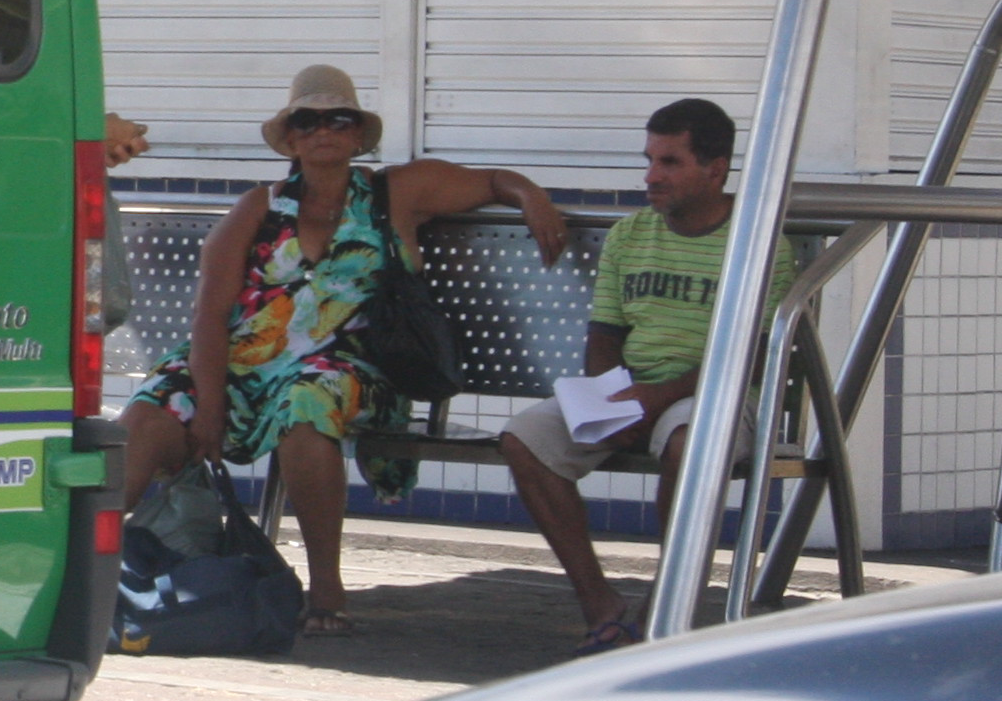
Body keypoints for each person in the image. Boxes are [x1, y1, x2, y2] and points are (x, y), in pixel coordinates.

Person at [118, 65, 567, 637]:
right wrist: (207, 404)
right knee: (149, 409)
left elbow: (493, 180)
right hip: (242, 367)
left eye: (338, 119)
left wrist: (531, 195)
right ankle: (87, 565)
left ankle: (326, 582)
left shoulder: (396, 192)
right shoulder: (258, 207)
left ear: (358, 134)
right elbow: (209, 313)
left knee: (309, 400)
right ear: (291, 138)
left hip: (348, 367)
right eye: (307, 121)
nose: (322, 129)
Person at [495, 98, 798, 653]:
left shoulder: (758, 247)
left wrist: (653, 400)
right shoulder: (630, 235)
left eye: (670, 163)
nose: (651, 176)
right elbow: (604, 335)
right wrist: (610, 401)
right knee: (524, 439)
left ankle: (666, 604)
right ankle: (600, 605)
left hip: (715, 393)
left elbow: (746, 357)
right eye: (650, 160)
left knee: (688, 446)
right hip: (636, 390)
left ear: (716, 169)